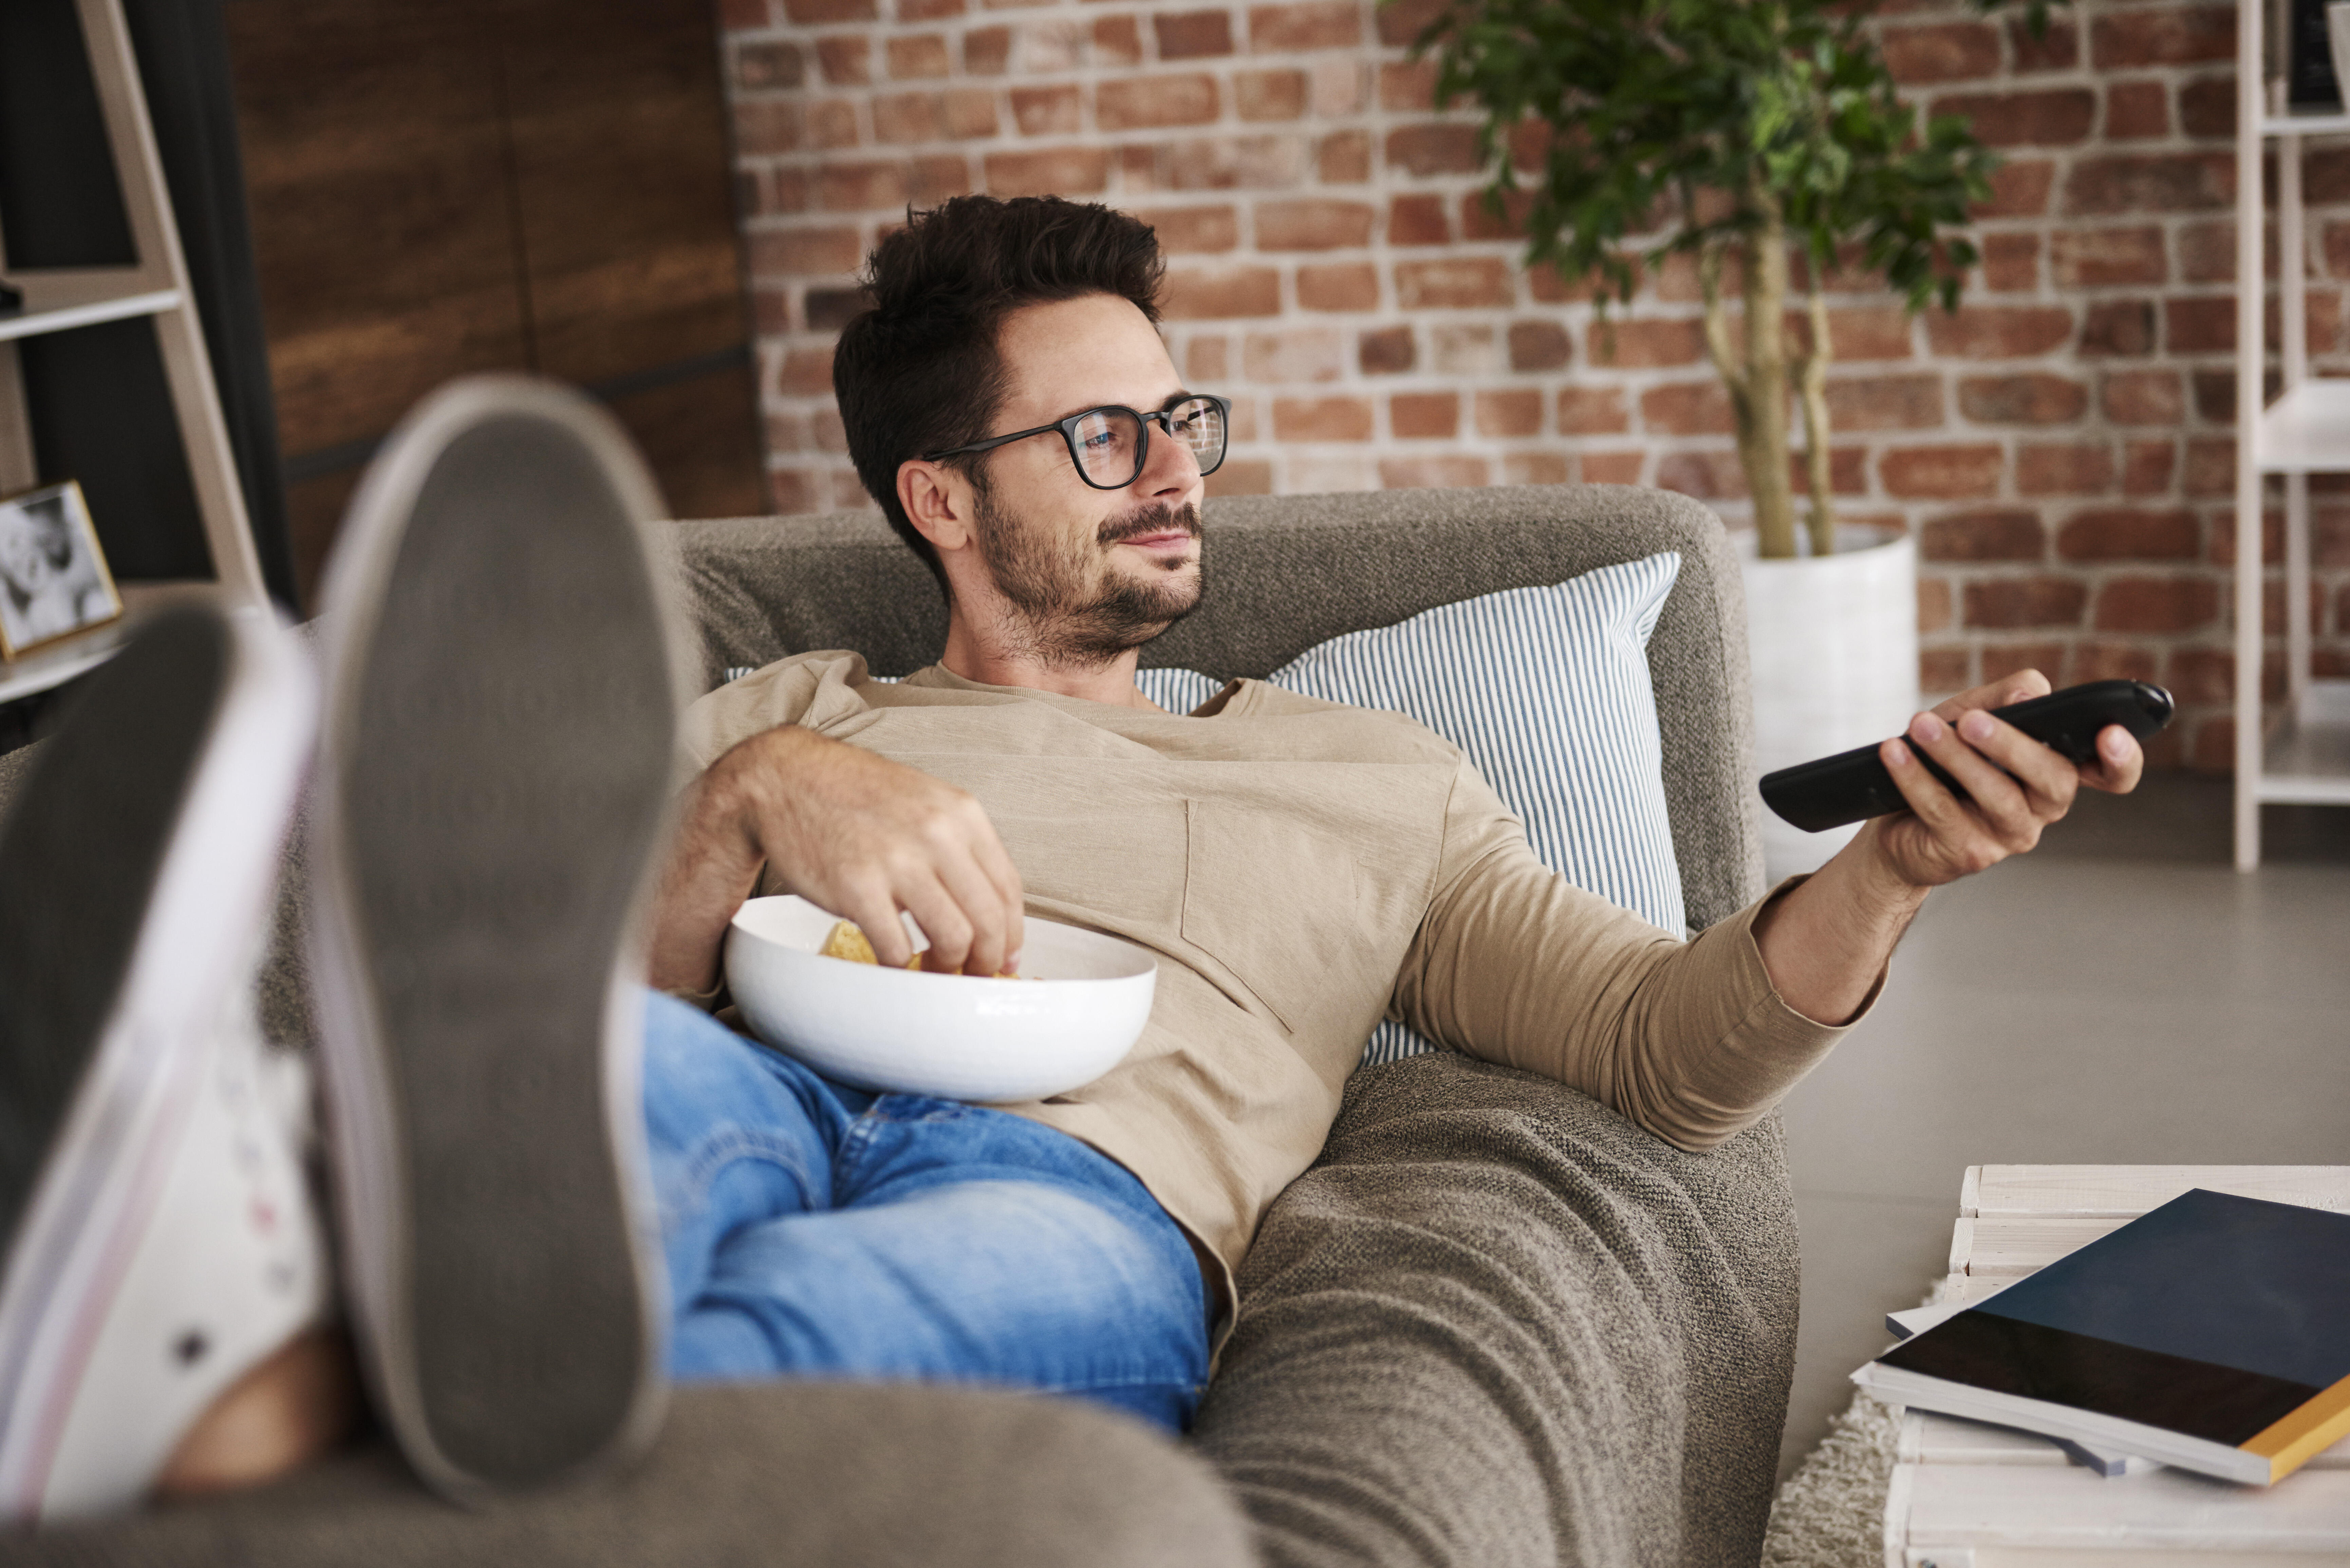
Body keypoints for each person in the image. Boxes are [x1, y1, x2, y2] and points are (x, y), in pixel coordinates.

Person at [0, 195, 2142, 1523]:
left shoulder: (1373, 776)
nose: (1171, 476)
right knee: (596, 1115)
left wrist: (1887, 875)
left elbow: (1658, 1048)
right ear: (943, 501)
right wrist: (743, 810)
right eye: (1100, 438)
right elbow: (572, 1000)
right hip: (740, 1070)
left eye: (1180, 425)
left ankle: (233, 1411)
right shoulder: (787, 716)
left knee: (796, 1331)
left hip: (1080, 1187)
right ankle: (234, 1241)